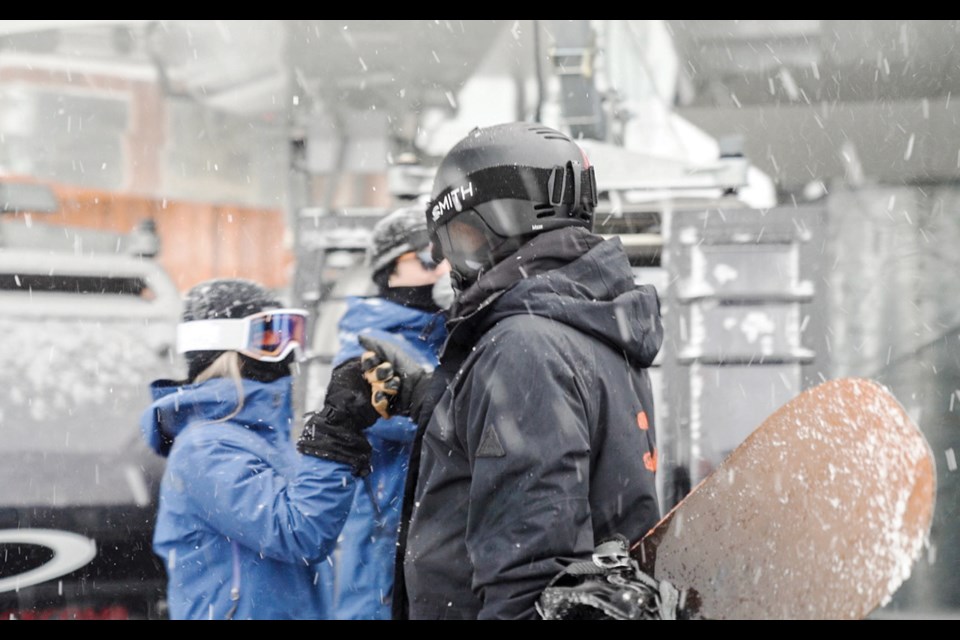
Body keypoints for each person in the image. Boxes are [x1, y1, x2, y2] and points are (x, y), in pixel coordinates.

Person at [360, 122, 664, 620]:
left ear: (496, 224)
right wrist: (438, 402)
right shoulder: (591, 329)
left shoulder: (523, 348)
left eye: (459, 238)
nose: (453, 268)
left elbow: (530, 579)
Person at [140, 277, 381, 620]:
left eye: (292, 334)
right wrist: (336, 432)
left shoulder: (268, 438)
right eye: (271, 337)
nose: (286, 353)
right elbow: (300, 532)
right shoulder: (204, 448)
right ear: (224, 346)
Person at [324, 206, 449, 620]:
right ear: (388, 273)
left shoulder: (450, 335)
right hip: (385, 540)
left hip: (436, 540)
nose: (443, 270)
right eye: (430, 259)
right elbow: (411, 417)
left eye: (450, 255)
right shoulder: (368, 344)